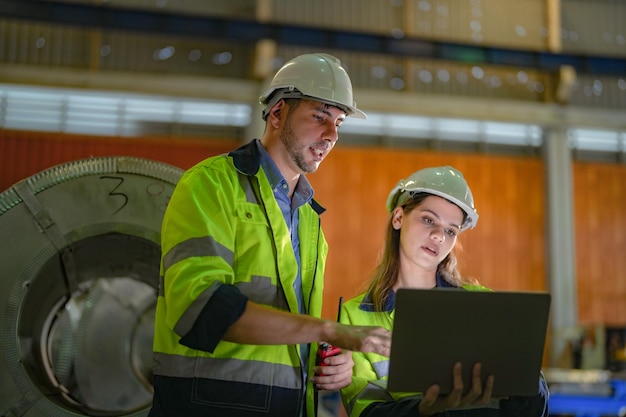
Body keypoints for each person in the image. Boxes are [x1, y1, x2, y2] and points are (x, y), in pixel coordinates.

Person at [147, 52, 391, 417]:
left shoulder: (310, 217)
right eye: (319, 117)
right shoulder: (211, 184)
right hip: (206, 405)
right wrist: (328, 331)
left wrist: (330, 367)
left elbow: (296, 337)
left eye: (339, 122)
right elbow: (200, 308)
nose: (332, 135)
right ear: (277, 114)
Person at [339, 166, 550, 417]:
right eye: (429, 219)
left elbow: (532, 408)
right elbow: (365, 411)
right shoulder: (355, 316)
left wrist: (524, 373)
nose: (439, 236)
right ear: (398, 218)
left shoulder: (482, 304)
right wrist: (424, 409)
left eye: (451, 230)